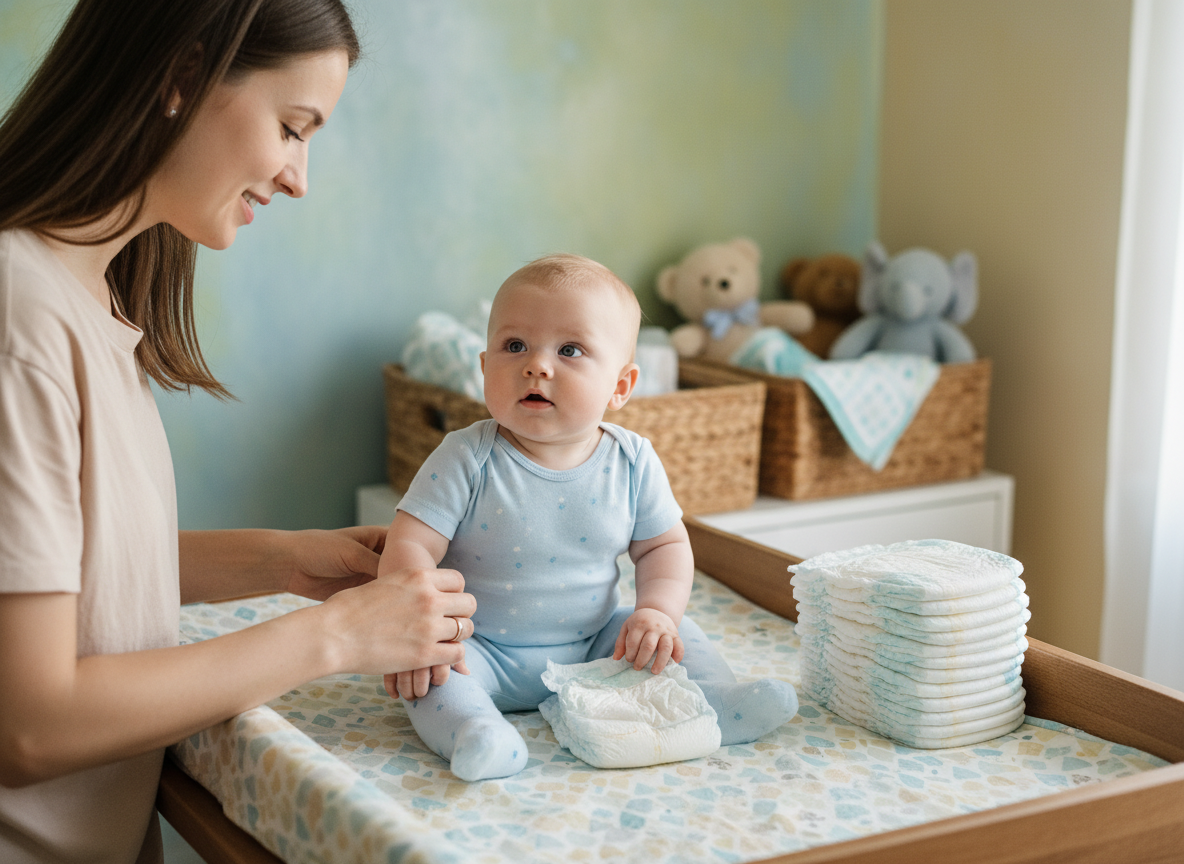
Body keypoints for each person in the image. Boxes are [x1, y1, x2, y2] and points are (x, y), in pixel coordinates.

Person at [0, 2, 476, 862]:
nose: (299, 178)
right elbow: (31, 723)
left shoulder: (83, 296)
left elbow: (60, 580)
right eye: (293, 128)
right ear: (182, 77)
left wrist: (282, 563)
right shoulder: (21, 320)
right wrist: (334, 638)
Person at [378, 253, 799, 782]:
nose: (537, 365)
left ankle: (713, 702)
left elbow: (663, 548)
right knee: (433, 677)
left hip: (598, 644)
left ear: (621, 386)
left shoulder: (632, 460)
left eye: (570, 350)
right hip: (479, 646)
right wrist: (418, 632)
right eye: (514, 346)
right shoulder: (466, 456)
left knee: (669, 631)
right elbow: (411, 544)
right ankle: (476, 734)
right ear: (484, 368)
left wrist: (657, 612)